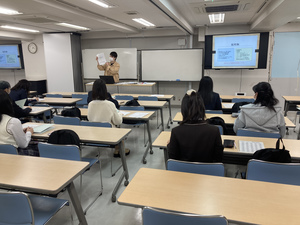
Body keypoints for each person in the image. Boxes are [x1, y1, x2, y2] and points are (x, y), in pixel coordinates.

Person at [167, 89, 224, 162]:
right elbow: (219, 158)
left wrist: (170, 145)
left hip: (183, 172)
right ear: (202, 108)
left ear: (183, 109)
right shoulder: (214, 131)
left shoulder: (176, 132)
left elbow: (173, 159)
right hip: (207, 172)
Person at [87, 79, 130, 157]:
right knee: (119, 131)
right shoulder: (110, 104)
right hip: (108, 134)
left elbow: (89, 118)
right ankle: (119, 150)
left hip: (93, 133)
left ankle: (117, 149)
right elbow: (118, 121)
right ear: (105, 90)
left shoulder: (90, 104)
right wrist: (119, 113)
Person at [0, 90, 38, 156]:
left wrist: (20, 131)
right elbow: (24, 144)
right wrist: (29, 132)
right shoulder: (12, 121)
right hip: (15, 157)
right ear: (8, 103)